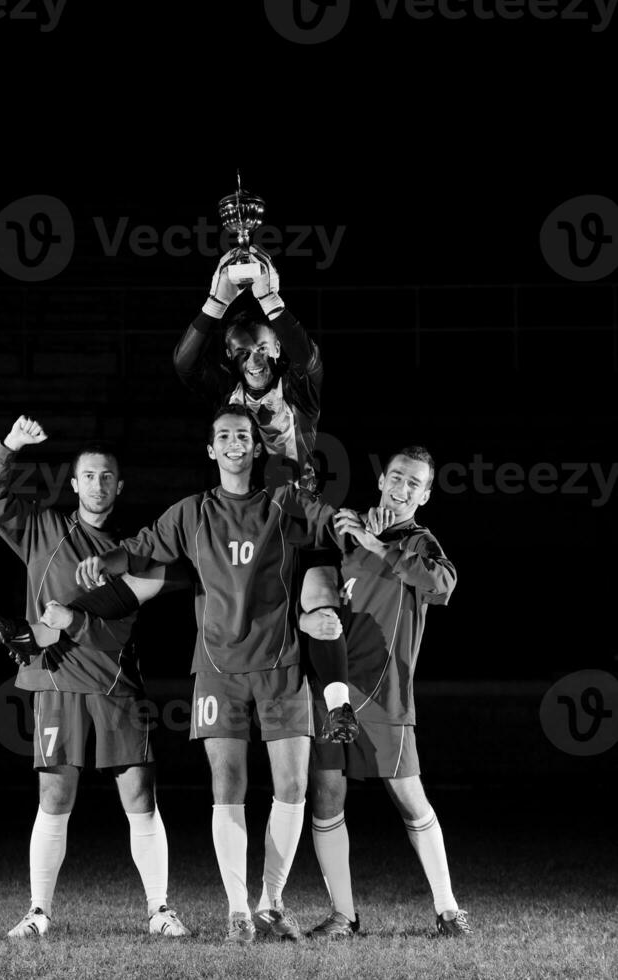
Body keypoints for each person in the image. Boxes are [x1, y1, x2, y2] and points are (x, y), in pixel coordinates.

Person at [75, 404, 343, 944]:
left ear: (256, 446)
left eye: (243, 435)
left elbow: (326, 519)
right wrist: (104, 562)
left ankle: (271, 902)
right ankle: (238, 911)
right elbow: (142, 547)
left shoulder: (282, 504)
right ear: (211, 449)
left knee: (293, 787)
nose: (234, 443)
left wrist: (348, 524)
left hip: (282, 663)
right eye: (224, 436)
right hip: (219, 670)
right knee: (229, 786)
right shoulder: (192, 513)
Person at [0, 415, 191, 940]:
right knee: (55, 799)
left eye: (106, 476)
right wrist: (10, 446)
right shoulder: (42, 530)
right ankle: (38, 912)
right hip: (56, 683)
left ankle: (159, 910)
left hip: (116, 682)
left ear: (120, 486)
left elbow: (122, 629)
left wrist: (74, 621)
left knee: (141, 798)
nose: (97, 484)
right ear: (73, 485)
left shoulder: (135, 550)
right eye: (88, 476)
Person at [173, 249, 357, 743]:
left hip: (296, 516)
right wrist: (216, 301)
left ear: (276, 350)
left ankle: (339, 707)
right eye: (238, 351)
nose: (250, 360)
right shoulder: (224, 394)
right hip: (244, 523)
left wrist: (270, 299)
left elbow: (310, 354)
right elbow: (183, 362)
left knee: (320, 608)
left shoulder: (300, 388)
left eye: (260, 349)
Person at [301, 447, 471, 939]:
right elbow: (309, 582)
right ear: (381, 480)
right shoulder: (344, 531)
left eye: (414, 483)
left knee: (409, 797)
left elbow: (444, 584)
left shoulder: (421, 542)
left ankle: (448, 909)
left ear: (426, 495)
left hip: (387, 693)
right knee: (327, 794)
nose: (402, 488)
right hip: (333, 691)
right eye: (396, 477)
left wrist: (378, 546)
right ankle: (344, 914)